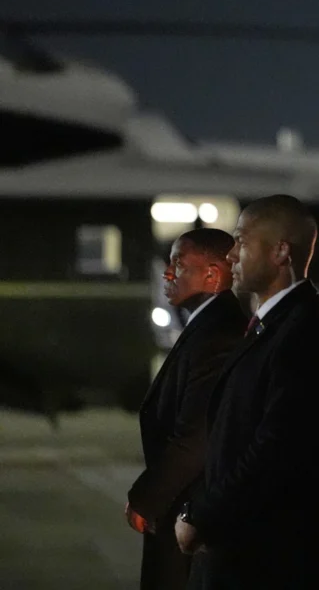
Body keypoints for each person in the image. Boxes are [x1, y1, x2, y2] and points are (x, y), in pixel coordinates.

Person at [175, 195, 319, 589]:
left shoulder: (302, 333)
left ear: (280, 252)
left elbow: (274, 449)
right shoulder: (280, 325)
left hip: (270, 565)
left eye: (241, 241)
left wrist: (201, 516)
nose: (231, 255)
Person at [126, 228, 246, 590]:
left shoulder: (218, 335)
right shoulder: (208, 327)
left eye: (178, 264)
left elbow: (197, 434)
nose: (167, 274)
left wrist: (147, 498)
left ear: (212, 275)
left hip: (187, 512)